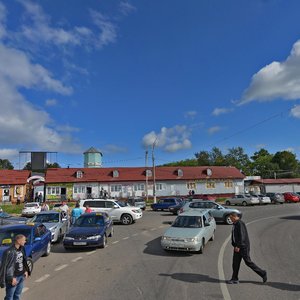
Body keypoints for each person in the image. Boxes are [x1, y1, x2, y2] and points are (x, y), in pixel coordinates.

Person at [227, 212, 267, 284]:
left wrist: (238, 246)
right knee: (235, 263)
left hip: (243, 247)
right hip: (237, 247)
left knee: (248, 262)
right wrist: (235, 245)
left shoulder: (240, 223)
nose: (230, 220)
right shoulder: (235, 224)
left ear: (234, 217)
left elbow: (242, 236)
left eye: (231, 218)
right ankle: (234, 278)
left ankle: (262, 273)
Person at [0, 234, 30, 299]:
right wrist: (12, 278)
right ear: (18, 241)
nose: (25, 241)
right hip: (14, 278)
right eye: (24, 240)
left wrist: (25, 270)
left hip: (21, 276)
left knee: (17, 295)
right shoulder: (8, 252)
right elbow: (4, 267)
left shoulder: (22, 249)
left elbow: (23, 261)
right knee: (9, 297)